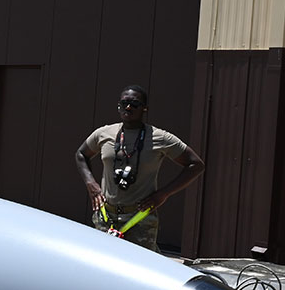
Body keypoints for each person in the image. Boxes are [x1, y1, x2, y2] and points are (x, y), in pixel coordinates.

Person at [75, 85, 205, 251]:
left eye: (135, 104)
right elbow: (81, 154)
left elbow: (195, 164)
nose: (128, 107)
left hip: (139, 218)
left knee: (137, 264)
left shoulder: (160, 137)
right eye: (124, 103)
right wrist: (90, 183)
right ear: (119, 106)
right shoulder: (103, 133)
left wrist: (164, 194)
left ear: (145, 108)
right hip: (106, 217)